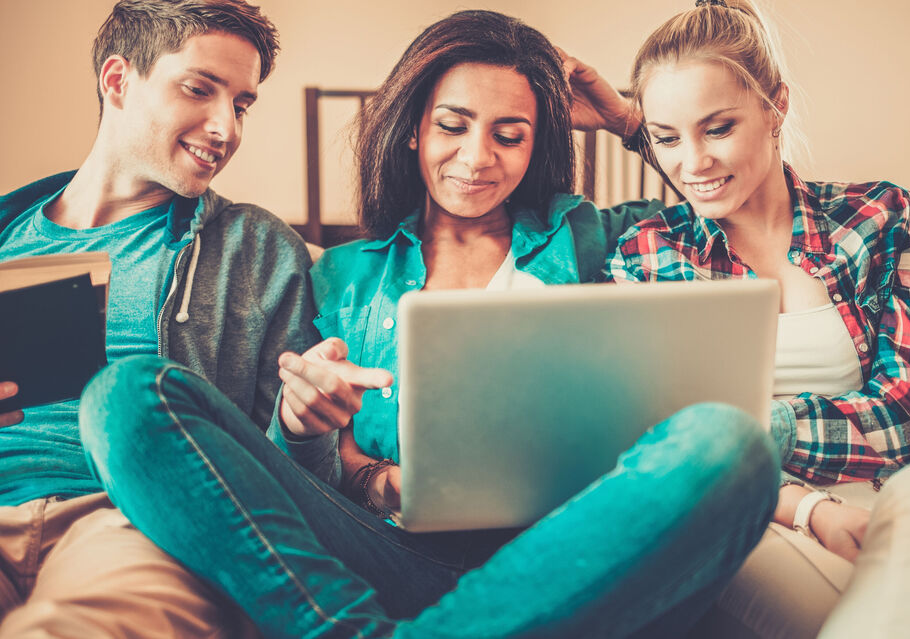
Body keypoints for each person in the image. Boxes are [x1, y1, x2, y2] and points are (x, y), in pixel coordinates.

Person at [79, 9, 780, 639]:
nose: (477, 159)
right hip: (395, 553)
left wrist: (631, 123)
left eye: (510, 136)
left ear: (538, 145)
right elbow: (316, 487)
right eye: (453, 126)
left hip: (568, 552)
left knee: (732, 445)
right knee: (128, 398)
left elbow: (746, 200)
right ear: (413, 127)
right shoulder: (339, 277)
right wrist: (312, 429)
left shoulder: (597, 237)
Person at [571, 0, 910, 635]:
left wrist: (753, 430)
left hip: (901, 494)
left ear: (775, 106)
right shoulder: (647, 253)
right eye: (667, 138)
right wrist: (803, 503)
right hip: (755, 510)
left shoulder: (880, 217)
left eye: (719, 128)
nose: (693, 164)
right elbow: (649, 439)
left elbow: (908, 414)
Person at [0, 1, 316, 636]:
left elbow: (295, 487)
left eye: (242, 104)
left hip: (133, 521)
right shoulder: (9, 239)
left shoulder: (255, 249)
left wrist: (303, 426)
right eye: (200, 89)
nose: (224, 127)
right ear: (117, 81)